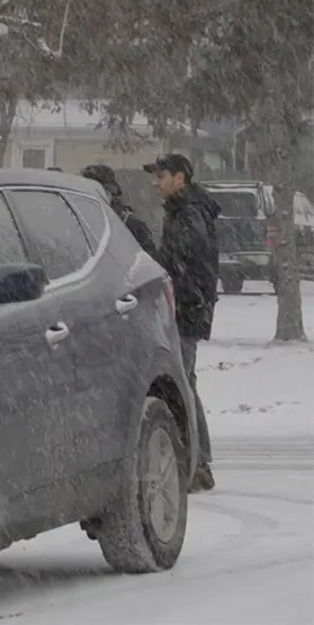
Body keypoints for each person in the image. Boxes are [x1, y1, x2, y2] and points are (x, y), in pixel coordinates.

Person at [143, 153, 219, 492]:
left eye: (161, 177)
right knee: (186, 383)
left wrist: (152, 259)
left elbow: (183, 264)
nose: (156, 183)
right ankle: (197, 461)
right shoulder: (183, 212)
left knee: (184, 385)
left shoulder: (188, 215)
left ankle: (197, 464)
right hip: (186, 310)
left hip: (186, 312)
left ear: (180, 179)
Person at [79, 163, 159, 257]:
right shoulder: (83, 224)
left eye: (88, 194)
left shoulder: (132, 227)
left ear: (107, 195)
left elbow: (148, 265)